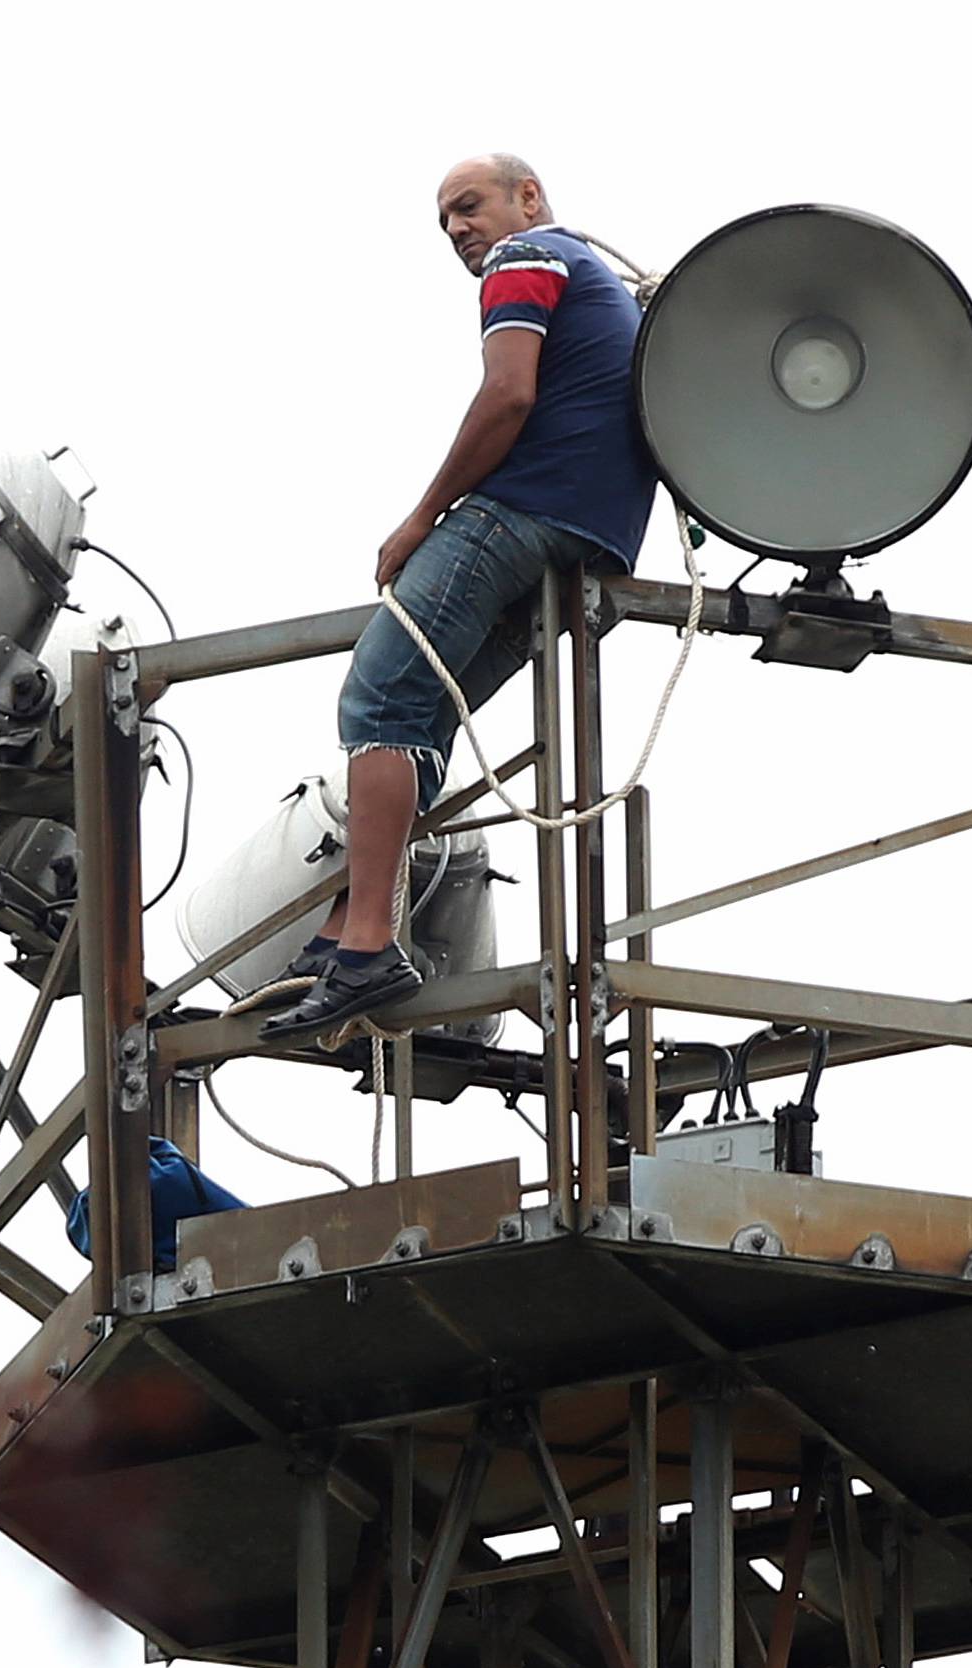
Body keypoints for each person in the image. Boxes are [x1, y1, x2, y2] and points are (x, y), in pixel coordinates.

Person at [262, 154, 658, 1042]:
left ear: (529, 196)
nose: (457, 231)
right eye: (443, 223)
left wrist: (421, 517)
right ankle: (353, 927)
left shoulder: (531, 260)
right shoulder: (610, 288)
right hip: (590, 542)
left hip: (523, 510)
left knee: (379, 696)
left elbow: (508, 395)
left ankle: (369, 942)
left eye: (467, 207)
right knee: (426, 714)